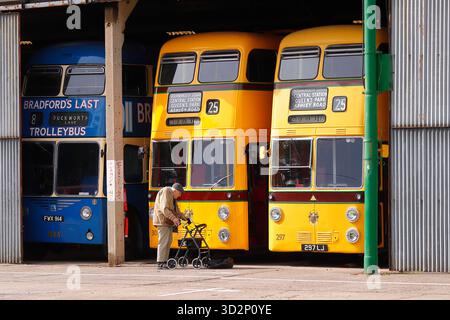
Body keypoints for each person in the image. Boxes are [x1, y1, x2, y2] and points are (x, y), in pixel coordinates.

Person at [153, 183, 187, 269]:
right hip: (162, 221)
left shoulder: (172, 197)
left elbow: (177, 211)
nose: (179, 196)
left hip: (167, 222)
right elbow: (164, 208)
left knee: (168, 241)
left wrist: (185, 218)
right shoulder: (166, 191)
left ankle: (164, 261)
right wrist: (174, 219)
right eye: (179, 193)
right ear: (175, 191)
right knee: (164, 241)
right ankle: (160, 262)